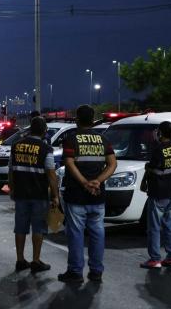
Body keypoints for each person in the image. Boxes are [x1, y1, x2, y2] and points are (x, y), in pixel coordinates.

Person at [58, 105, 117, 283]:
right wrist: (98, 181)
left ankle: (75, 272)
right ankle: (96, 271)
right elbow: (112, 164)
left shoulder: (71, 139)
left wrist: (84, 182)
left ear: (77, 119)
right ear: (92, 120)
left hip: (77, 195)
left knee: (76, 234)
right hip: (97, 195)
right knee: (98, 234)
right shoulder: (103, 139)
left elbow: (69, 163)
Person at [9, 116, 60, 273]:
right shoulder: (46, 149)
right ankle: (36, 261)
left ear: (30, 129)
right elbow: (51, 174)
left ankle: (20, 260)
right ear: (44, 131)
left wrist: (12, 188)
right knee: (38, 228)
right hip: (38, 195)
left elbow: (11, 169)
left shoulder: (16, 146)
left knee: (20, 227)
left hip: (21, 194)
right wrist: (55, 196)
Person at [139, 121, 171, 269]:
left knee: (154, 227)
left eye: (158, 131)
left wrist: (147, 168)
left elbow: (154, 169)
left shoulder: (158, 149)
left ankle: (155, 259)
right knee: (168, 225)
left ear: (161, 133)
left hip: (158, 193)